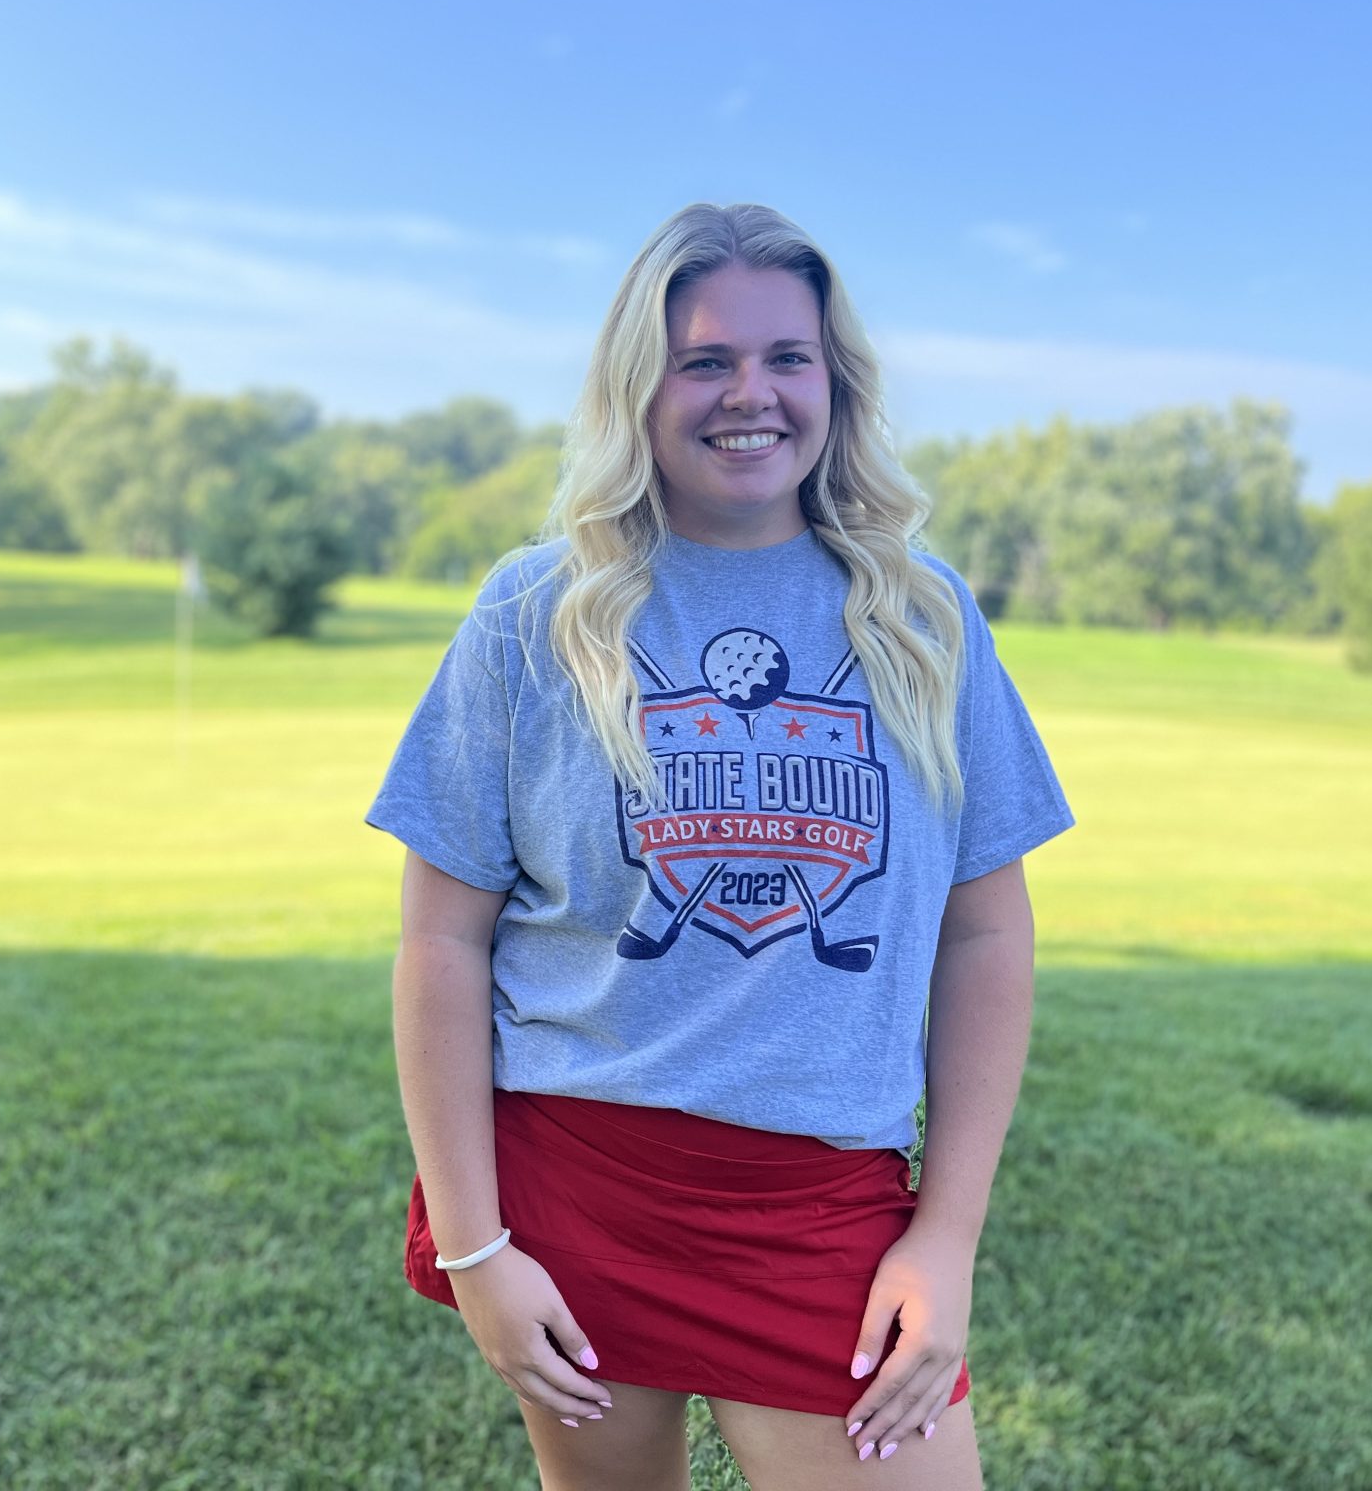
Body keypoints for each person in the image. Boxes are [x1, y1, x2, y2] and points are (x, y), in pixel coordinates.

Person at [365, 201, 1076, 1489]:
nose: (751, 394)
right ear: (639, 387)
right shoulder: (537, 609)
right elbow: (441, 941)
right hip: (572, 1177)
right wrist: (476, 1250)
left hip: (820, 1200)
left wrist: (947, 1236)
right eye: (705, 361)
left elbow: (985, 931)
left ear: (834, 381)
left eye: (786, 357)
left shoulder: (923, 617)